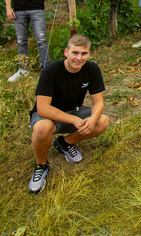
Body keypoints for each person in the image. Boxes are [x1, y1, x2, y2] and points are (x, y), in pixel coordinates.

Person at [28, 34, 110, 193]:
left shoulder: (92, 69)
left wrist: (92, 118)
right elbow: (43, 108)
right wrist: (73, 119)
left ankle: (64, 143)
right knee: (42, 129)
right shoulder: (50, 71)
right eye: (75, 53)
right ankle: (41, 166)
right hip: (49, 115)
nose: (79, 58)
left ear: (89, 54)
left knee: (102, 121)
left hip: (73, 111)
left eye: (84, 53)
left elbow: (98, 102)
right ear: (66, 52)